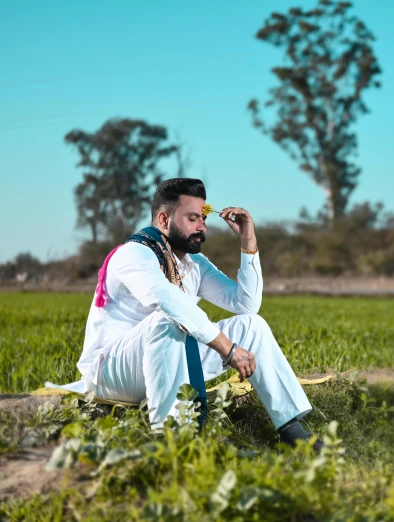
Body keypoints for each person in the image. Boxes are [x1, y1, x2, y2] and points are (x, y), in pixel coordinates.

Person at [52, 178, 320, 450]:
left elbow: (246, 304)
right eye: (192, 218)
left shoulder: (194, 264)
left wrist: (248, 240)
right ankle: (178, 442)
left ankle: (291, 430)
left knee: (253, 325)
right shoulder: (134, 254)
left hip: (169, 360)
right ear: (163, 218)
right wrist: (228, 349)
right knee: (168, 318)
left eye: (202, 218)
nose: (202, 227)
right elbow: (167, 300)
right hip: (113, 371)